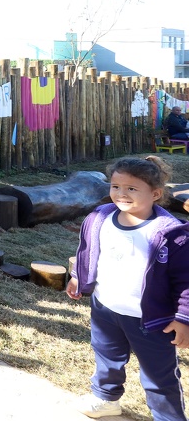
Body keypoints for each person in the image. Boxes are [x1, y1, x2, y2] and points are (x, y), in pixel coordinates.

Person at [66, 155, 189, 420]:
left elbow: (185, 280)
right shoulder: (100, 217)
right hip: (105, 307)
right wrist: (78, 276)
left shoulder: (170, 232)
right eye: (116, 187)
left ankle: (169, 417)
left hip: (151, 320)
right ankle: (105, 399)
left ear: (155, 194)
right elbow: (88, 253)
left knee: (159, 375)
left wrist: (183, 318)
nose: (121, 194)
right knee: (107, 357)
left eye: (132, 189)